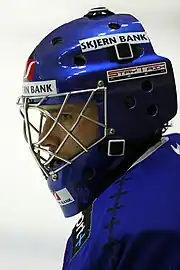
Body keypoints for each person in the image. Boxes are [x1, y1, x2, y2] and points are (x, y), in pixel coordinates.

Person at [17, 7, 180, 270]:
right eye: (45, 117)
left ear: (125, 108)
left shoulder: (135, 231)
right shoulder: (165, 164)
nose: (47, 139)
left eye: (65, 117)